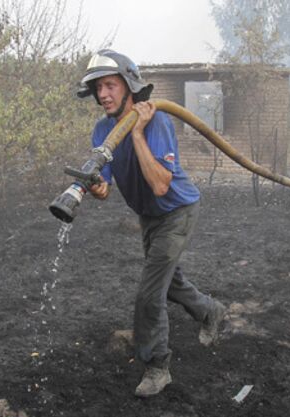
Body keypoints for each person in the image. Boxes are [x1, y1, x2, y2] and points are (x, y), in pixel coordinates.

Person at [76, 49, 227, 397]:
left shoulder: (157, 121)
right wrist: (99, 187)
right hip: (149, 217)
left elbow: (160, 185)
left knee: (149, 294)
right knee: (169, 284)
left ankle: (157, 366)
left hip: (177, 211)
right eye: (98, 88)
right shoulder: (102, 130)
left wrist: (138, 133)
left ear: (129, 85)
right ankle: (210, 311)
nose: (103, 95)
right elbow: (106, 184)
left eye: (110, 85)